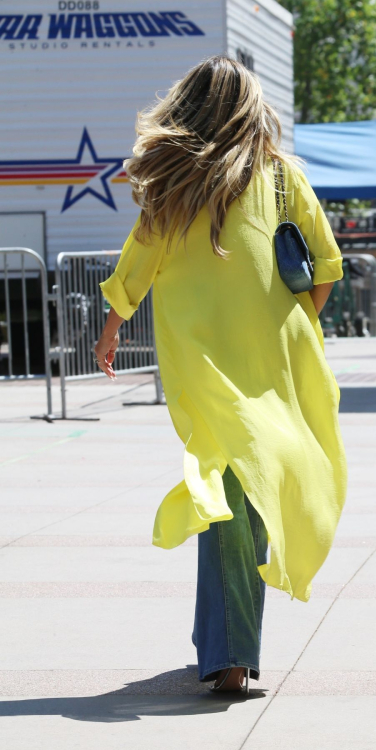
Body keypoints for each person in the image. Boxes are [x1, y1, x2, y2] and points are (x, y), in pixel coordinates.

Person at [95, 55, 347, 694]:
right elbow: (323, 272)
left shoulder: (173, 185)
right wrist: (285, 332)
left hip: (206, 372)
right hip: (275, 369)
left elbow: (139, 262)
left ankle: (227, 653)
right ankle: (227, 648)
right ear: (253, 107)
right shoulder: (283, 178)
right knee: (247, 498)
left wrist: (112, 324)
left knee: (232, 499)